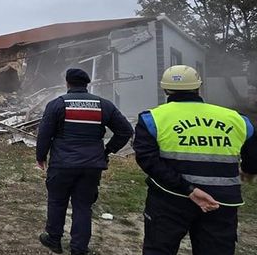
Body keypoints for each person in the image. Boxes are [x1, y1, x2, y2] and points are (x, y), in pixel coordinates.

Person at [134, 65, 257, 255]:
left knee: (159, 249)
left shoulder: (153, 119)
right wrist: (248, 170)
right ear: (199, 87)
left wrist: (188, 189)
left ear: (165, 89)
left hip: (170, 199)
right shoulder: (238, 120)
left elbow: (148, 160)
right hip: (220, 202)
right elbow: (253, 158)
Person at [37, 68, 134, 255]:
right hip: (92, 165)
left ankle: (54, 239)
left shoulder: (57, 105)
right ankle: (79, 248)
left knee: (57, 201)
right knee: (83, 206)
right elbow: (125, 131)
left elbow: (44, 134)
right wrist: (107, 150)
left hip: (62, 164)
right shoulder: (103, 105)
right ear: (86, 84)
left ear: (67, 83)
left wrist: (40, 156)